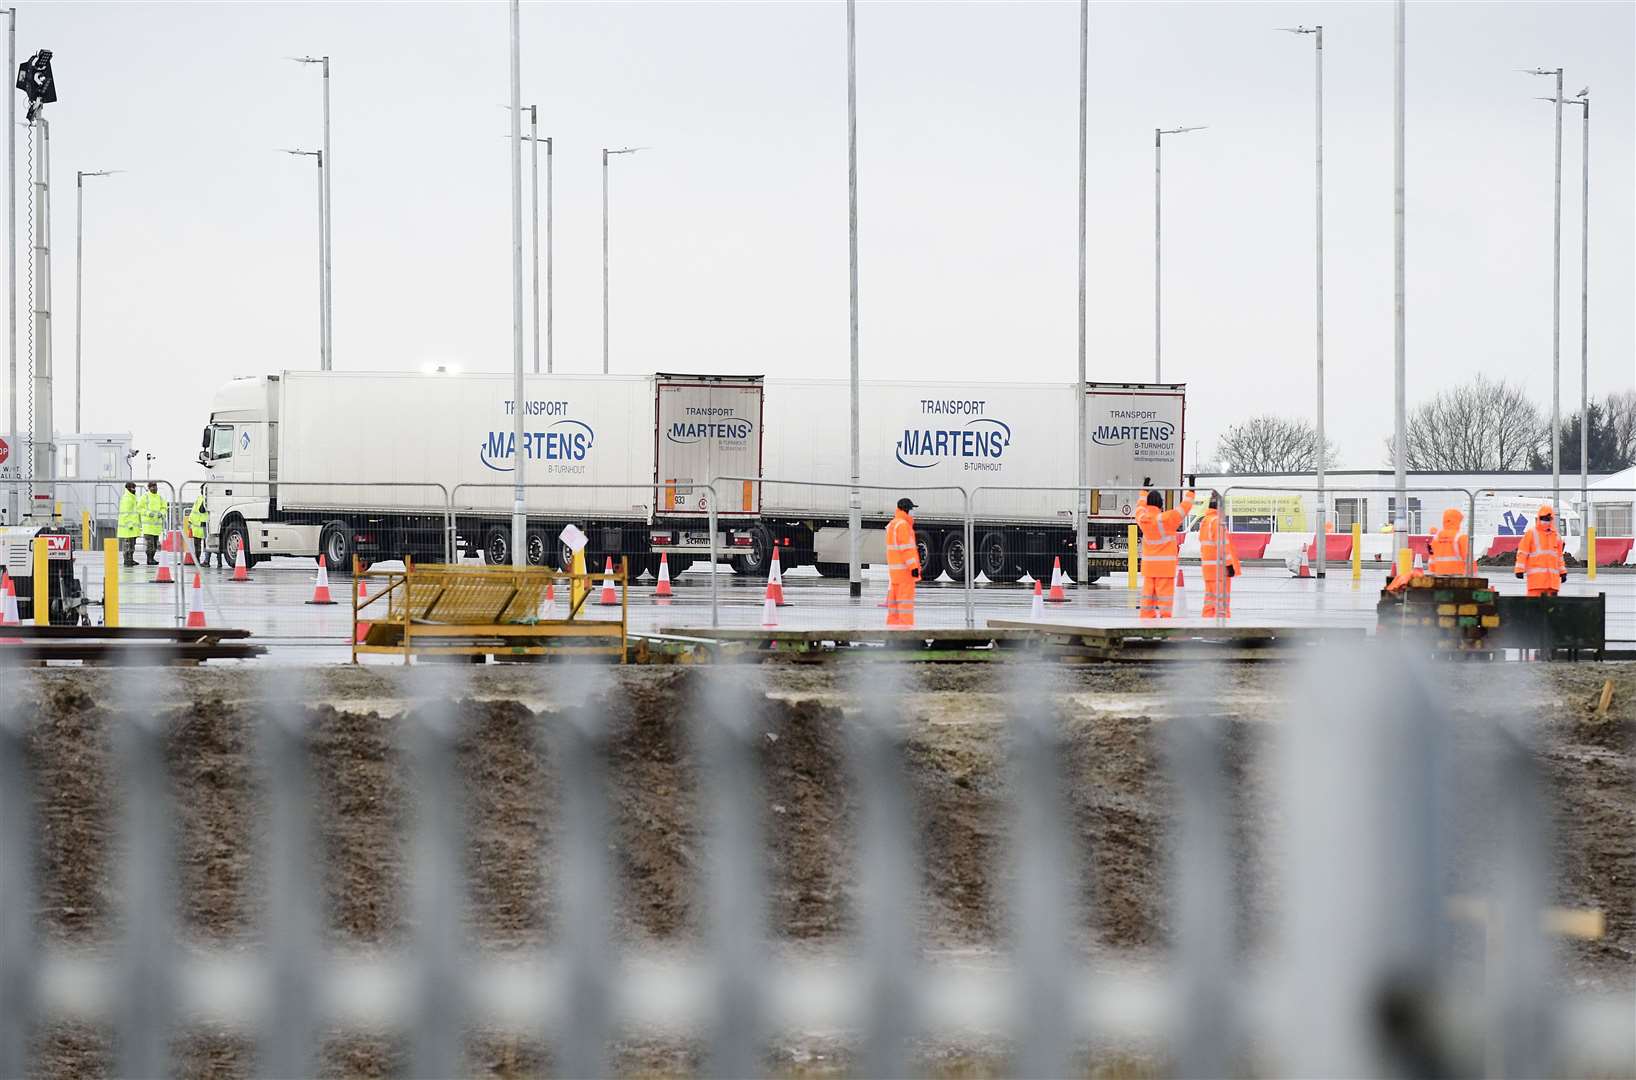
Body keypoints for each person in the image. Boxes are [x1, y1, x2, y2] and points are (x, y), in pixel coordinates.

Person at [1135, 478, 1194, 619]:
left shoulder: (1143, 519)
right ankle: (1165, 624)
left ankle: (1146, 625)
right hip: (1165, 569)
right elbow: (1184, 508)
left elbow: (1139, 508)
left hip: (1149, 568)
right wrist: (1191, 491)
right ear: (1161, 504)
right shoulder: (1167, 519)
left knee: (1147, 600)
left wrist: (1143, 491)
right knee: (1165, 602)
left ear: (1149, 503)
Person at [1197, 492, 1241, 618]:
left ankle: (1207, 627)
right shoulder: (1217, 522)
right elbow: (1222, 545)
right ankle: (1222, 630)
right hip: (1220, 570)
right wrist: (1229, 565)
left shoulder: (1205, 521)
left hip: (1209, 570)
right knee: (1222, 605)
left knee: (1209, 603)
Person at [1514, 503, 1567, 597]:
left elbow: (1559, 557)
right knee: (1534, 609)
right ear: (1539, 518)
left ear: (1552, 520)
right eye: (1543, 518)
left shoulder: (1556, 536)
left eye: (1547, 519)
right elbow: (1522, 552)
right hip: (1536, 583)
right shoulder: (1531, 533)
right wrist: (1519, 570)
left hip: (1552, 584)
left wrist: (1563, 572)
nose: (1545, 521)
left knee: (1551, 610)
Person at [884, 497, 921, 627]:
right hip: (905, 575)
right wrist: (914, 567)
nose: (913, 512)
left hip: (894, 575)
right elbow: (906, 549)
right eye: (912, 509)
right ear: (907, 509)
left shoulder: (892, 525)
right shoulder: (903, 525)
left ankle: (892, 634)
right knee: (905, 607)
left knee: (893, 609)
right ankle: (906, 635)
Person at [1426, 507, 1470, 577]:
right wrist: (1474, 577)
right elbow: (1469, 559)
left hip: (1439, 575)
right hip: (1458, 576)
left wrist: (1432, 574)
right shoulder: (1461, 537)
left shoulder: (1437, 537)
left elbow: (1431, 557)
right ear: (1457, 521)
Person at [138, 481, 167, 565]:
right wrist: (148, 513)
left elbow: (164, 508)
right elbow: (139, 508)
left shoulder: (160, 498)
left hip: (156, 527)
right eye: (152, 487)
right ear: (149, 488)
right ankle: (149, 559)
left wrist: (161, 513)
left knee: (154, 544)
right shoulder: (145, 497)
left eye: (155, 486)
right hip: (148, 526)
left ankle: (152, 558)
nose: (154, 488)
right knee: (150, 545)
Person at [117, 480, 141, 566]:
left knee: (132, 545)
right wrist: (130, 524)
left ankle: (130, 559)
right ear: (128, 488)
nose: (134, 489)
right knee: (127, 545)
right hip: (127, 528)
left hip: (132, 528)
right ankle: (127, 560)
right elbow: (125, 513)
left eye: (134, 488)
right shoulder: (127, 498)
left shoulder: (132, 497)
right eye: (132, 488)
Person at [187, 485, 212, 568]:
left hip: (204, 524)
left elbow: (202, 510)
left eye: (203, 489)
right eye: (201, 489)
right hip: (196, 525)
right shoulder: (199, 498)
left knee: (207, 544)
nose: (201, 491)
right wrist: (190, 520)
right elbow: (194, 510)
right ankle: (197, 560)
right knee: (197, 544)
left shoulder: (208, 498)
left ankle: (207, 561)